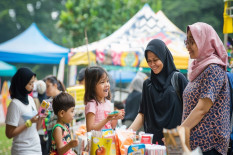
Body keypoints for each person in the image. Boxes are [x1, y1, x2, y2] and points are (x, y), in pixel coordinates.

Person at [180, 22, 230, 155]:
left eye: (192, 41)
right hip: (195, 146)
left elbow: (202, 108)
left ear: (204, 41)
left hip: (209, 146)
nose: (187, 46)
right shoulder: (198, 70)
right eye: (187, 41)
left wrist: (179, 131)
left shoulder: (213, 69)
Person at [129, 39, 188, 145]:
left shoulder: (178, 79)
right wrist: (127, 133)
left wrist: (178, 133)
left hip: (174, 141)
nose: (152, 64)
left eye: (155, 60)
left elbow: (189, 110)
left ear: (164, 57)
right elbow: (142, 114)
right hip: (152, 144)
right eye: (149, 61)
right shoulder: (147, 84)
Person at [5, 67, 47, 155]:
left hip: (36, 148)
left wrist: (40, 118)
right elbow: (9, 134)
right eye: (30, 83)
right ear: (22, 83)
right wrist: (29, 122)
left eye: (33, 82)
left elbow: (36, 128)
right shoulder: (15, 104)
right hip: (22, 150)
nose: (33, 85)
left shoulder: (31, 99)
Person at [84, 66, 125, 132]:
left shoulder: (107, 102)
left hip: (107, 140)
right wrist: (107, 119)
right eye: (102, 82)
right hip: (97, 141)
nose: (107, 85)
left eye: (107, 81)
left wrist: (115, 117)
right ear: (92, 86)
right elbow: (90, 129)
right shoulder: (92, 104)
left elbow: (111, 126)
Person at [41, 75, 66, 154]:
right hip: (50, 133)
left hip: (60, 133)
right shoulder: (48, 101)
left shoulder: (64, 98)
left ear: (55, 85)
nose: (46, 90)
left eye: (48, 86)